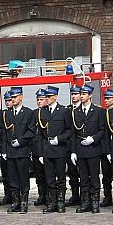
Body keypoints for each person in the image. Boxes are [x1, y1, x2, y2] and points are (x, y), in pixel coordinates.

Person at [71, 84, 105, 213]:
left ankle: (95, 202)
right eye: (81, 93)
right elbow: (73, 133)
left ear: (90, 95)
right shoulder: (75, 112)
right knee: (83, 178)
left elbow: (102, 130)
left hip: (93, 149)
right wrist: (73, 151)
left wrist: (93, 138)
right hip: (80, 149)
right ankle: (85, 202)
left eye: (84, 94)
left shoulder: (98, 111)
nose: (81, 96)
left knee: (94, 178)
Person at [38, 85, 71, 213]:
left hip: (60, 150)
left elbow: (69, 130)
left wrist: (60, 138)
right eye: (46, 97)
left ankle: (61, 202)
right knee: (49, 178)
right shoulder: (43, 111)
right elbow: (40, 134)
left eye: (49, 97)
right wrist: (41, 152)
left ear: (55, 97)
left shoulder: (63, 111)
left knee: (61, 178)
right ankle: (51, 203)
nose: (47, 99)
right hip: (47, 150)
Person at [3, 87, 36, 213]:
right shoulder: (7, 113)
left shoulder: (28, 113)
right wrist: (5, 150)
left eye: (15, 97)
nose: (13, 99)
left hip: (22, 151)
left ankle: (23, 202)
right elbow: (5, 134)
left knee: (23, 178)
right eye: (12, 97)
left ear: (21, 97)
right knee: (13, 178)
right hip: (11, 152)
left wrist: (21, 141)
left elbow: (31, 131)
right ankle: (15, 202)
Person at [32, 89, 49, 207]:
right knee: (39, 176)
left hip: (47, 149)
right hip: (36, 148)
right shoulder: (33, 113)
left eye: (41, 99)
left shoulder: (49, 113)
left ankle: (49, 197)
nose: (39, 102)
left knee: (48, 175)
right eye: (38, 100)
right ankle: (42, 195)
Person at [99, 90, 113, 208]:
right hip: (104, 149)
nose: (106, 101)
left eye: (109, 98)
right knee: (106, 176)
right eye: (105, 98)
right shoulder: (103, 113)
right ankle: (107, 196)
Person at [0, 91, 15, 207]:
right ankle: (7, 195)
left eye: (9, 100)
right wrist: (2, 150)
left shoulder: (15, 113)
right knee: (5, 175)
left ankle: (15, 197)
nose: (8, 103)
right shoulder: (3, 114)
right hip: (4, 147)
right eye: (6, 101)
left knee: (14, 175)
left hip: (14, 147)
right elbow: (1, 132)